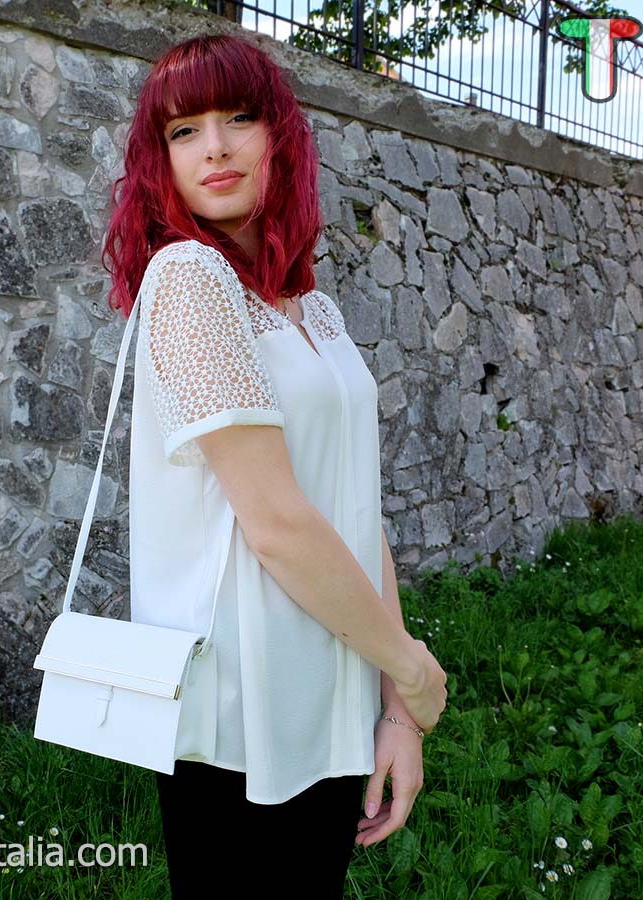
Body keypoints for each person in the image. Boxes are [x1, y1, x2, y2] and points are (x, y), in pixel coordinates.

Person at [100, 33, 447, 899]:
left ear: (279, 137)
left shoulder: (309, 308)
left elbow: (353, 507)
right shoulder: (189, 278)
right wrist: (411, 668)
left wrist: (395, 704)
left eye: (239, 118)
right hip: (239, 715)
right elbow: (279, 523)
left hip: (333, 686)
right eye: (184, 131)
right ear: (160, 162)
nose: (214, 147)